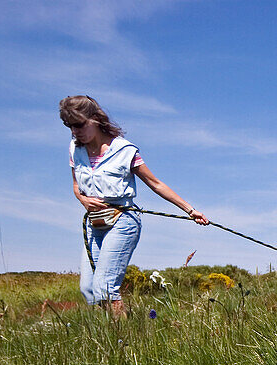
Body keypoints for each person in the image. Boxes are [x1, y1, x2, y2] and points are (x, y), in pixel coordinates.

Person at [60, 95, 209, 317]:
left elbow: (155, 184)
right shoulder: (75, 149)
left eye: (79, 124)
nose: (75, 131)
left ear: (95, 119)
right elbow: (76, 186)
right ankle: (106, 336)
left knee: (105, 287)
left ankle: (123, 340)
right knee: (89, 290)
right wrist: (82, 199)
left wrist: (190, 210)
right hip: (94, 224)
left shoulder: (124, 150)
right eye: (70, 126)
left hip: (122, 220)